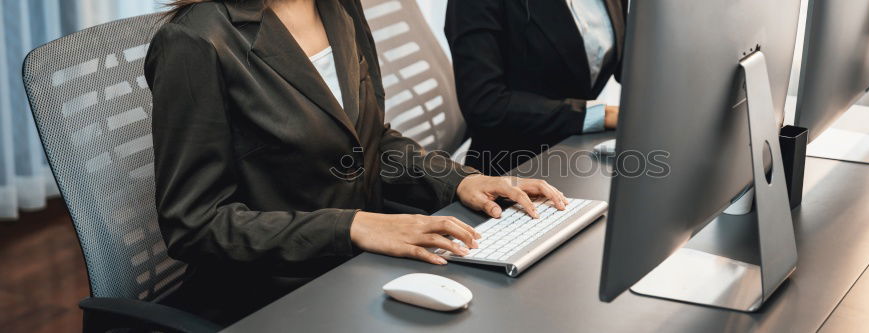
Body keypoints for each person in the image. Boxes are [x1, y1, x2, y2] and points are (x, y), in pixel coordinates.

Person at [149, 0, 568, 324]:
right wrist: (351, 225)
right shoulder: (196, 40)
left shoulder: (338, 7)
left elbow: (373, 141)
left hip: (359, 270)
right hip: (274, 295)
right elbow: (194, 225)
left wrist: (460, 180)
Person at [446, 0, 627, 175]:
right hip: (515, 168)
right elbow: (485, 105)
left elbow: (632, 63)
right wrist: (599, 114)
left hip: (582, 155)